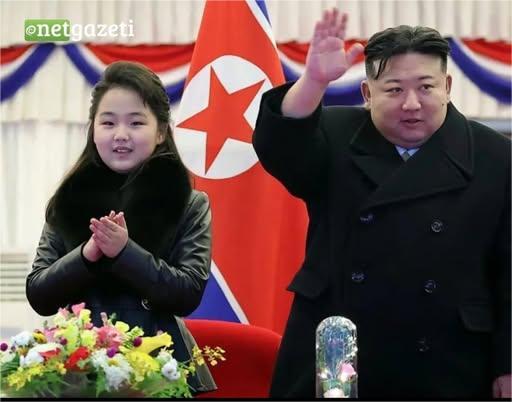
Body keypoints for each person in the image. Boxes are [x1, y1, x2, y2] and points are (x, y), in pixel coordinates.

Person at [252, 8, 511, 399]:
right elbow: (280, 146)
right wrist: (314, 81)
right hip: (339, 350)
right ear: (367, 93)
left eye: (426, 87)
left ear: (447, 86)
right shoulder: (334, 134)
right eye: (394, 90)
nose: (411, 103)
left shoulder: (495, 155)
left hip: (450, 353)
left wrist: (507, 363)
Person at [26, 61, 216, 393]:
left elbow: (187, 292)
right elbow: (39, 294)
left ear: (161, 132)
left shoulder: (190, 203)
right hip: (76, 366)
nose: (121, 135)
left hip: (160, 367)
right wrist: (86, 255)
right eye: (108, 122)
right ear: (93, 130)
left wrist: (125, 252)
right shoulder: (67, 200)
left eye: (136, 122)